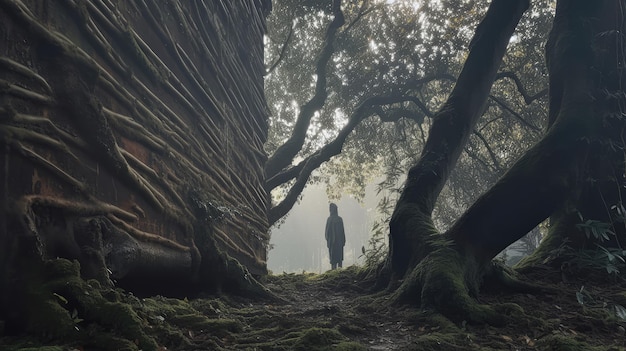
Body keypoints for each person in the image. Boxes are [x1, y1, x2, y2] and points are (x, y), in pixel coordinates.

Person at [325, 203, 345, 270]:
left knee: (339, 260)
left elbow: (342, 232)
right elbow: (327, 233)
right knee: (334, 261)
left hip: (338, 243)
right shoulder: (330, 219)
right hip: (333, 243)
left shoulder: (339, 219)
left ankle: (339, 272)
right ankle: (335, 272)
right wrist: (328, 241)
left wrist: (343, 240)